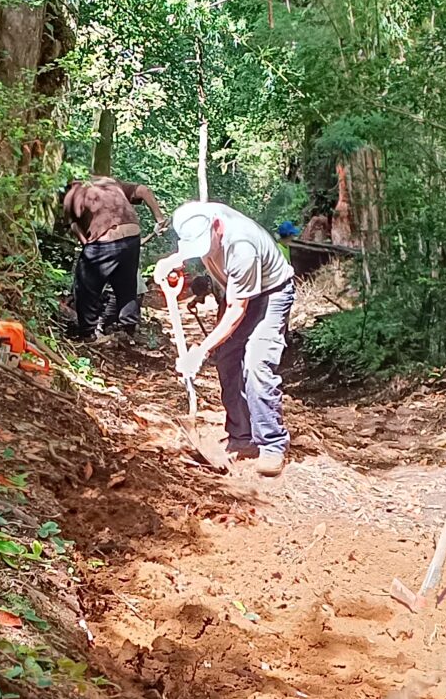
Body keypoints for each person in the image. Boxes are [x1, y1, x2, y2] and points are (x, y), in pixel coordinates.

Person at [151, 200, 295, 475]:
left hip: (272, 293)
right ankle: (242, 437)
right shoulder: (195, 221)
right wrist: (170, 262)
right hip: (238, 291)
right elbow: (188, 251)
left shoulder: (242, 247)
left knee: (256, 363)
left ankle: (272, 443)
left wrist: (200, 351)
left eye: (206, 245)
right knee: (228, 359)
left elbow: (237, 310)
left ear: (217, 226)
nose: (204, 251)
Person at [57, 172, 165, 339]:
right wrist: (159, 219)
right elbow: (144, 190)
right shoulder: (108, 181)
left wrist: (87, 245)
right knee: (126, 284)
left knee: (85, 285)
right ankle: (128, 329)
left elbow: (74, 226)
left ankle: (87, 332)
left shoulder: (71, 194)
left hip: (106, 237)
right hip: (132, 235)